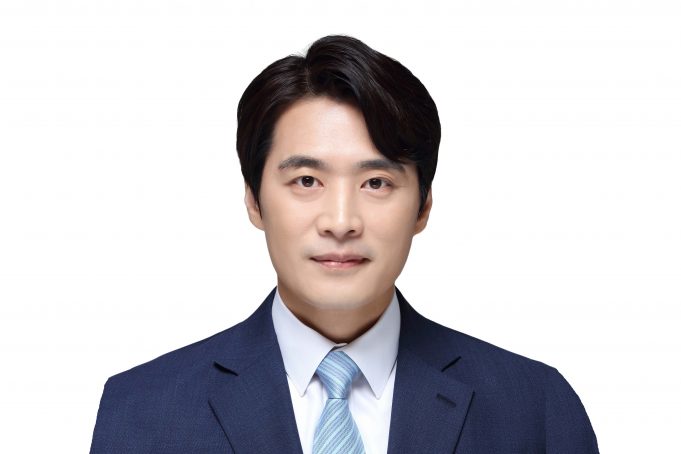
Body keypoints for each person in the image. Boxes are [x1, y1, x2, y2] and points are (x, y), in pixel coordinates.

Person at [90, 35, 599, 453]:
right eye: (306, 181)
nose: (340, 222)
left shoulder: (536, 410)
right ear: (254, 200)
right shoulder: (142, 411)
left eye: (376, 183)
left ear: (423, 205)